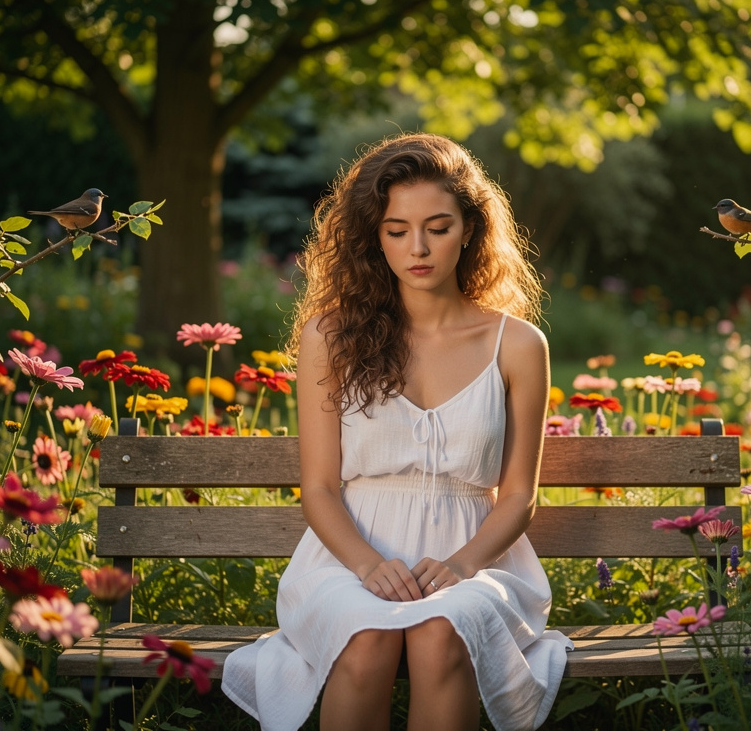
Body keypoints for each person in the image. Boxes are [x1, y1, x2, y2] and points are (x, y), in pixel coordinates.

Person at [222, 133, 571, 731]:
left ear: (470, 229)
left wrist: (462, 566)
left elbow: (518, 495)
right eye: (396, 229)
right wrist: (364, 565)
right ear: (371, 236)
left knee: (441, 631)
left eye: (438, 227)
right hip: (346, 559)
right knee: (365, 640)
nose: (418, 248)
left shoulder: (516, 345)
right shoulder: (331, 338)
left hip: (477, 561)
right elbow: (320, 488)